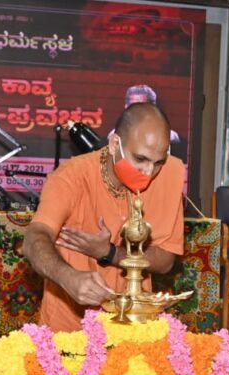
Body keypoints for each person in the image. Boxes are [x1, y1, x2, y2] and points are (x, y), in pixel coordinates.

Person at [24, 102, 184, 332]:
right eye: (140, 159)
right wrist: (68, 277)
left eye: (158, 162)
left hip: (134, 322)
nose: (149, 172)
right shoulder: (71, 177)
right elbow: (34, 238)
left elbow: (166, 260)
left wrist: (109, 253)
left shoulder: (169, 173)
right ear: (115, 144)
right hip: (69, 325)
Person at [107, 84, 181, 143]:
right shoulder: (115, 137)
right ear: (126, 108)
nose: (138, 112)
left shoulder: (170, 137)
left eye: (143, 108)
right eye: (134, 107)